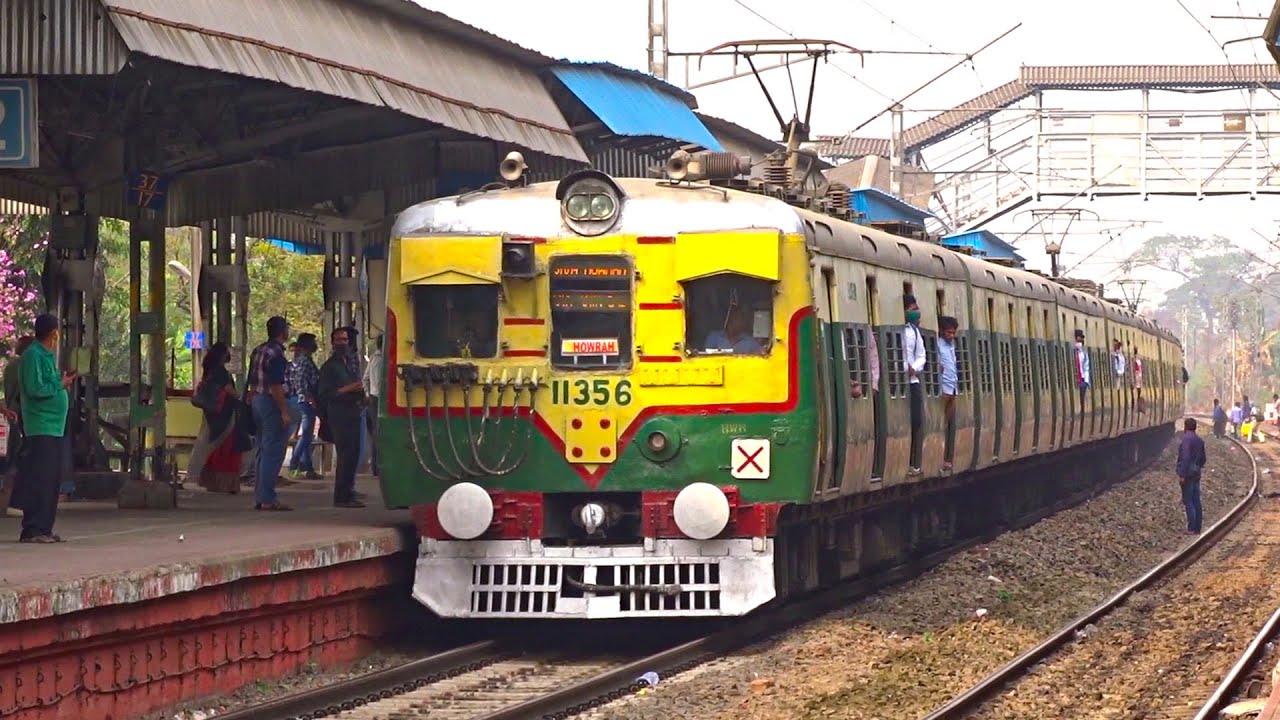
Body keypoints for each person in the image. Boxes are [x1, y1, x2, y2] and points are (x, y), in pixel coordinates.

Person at [11, 314, 74, 543]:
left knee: (52, 480)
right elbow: (35, 388)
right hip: (40, 426)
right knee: (40, 478)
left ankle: (45, 527)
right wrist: (60, 384)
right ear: (53, 333)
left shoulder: (46, 357)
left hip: (54, 427)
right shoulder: (32, 356)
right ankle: (32, 529)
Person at [187, 342, 251, 493]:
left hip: (212, 412)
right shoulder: (221, 372)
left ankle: (205, 478)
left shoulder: (209, 371)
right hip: (225, 412)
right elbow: (229, 390)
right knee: (223, 445)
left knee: (210, 442)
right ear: (222, 355)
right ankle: (202, 476)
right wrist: (240, 397)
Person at [245, 316, 294, 511]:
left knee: (261, 449)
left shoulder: (258, 350)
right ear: (282, 332)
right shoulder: (276, 355)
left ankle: (260, 495)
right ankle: (267, 497)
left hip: (256, 400)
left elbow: (251, 379)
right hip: (270, 402)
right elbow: (276, 385)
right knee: (273, 450)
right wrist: (284, 411)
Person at [318, 328, 366, 508]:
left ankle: (349, 491)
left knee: (353, 453)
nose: (343, 343)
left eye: (345, 340)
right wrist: (350, 388)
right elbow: (325, 393)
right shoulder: (330, 367)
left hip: (354, 410)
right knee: (345, 454)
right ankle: (341, 496)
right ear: (333, 342)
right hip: (339, 414)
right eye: (339, 340)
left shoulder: (349, 363)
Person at [287, 334, 322, 480]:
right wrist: (310, 399)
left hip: (306, 401)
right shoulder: (304, 362)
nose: (315, 344)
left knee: (308, 436)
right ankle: (294, 465)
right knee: (306, 436)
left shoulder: (307, 360)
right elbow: (300, 383)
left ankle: (308, 468)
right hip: (305, 402)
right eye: (312, 342)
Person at [1, 336, 34, 476]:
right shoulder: (27, 365)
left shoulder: (11, 366)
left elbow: (8, 390)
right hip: (23, 407)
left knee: (14, 439)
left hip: (13, 406)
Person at [903, 295, 926, 476]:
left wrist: (915, 369)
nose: (916, 312)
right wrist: (903, 368)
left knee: (916, 420)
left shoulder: (915, 332)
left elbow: (922, 355)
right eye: (913, 309)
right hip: (898, 382)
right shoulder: (900, 331)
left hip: (913, 381)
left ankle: (912, 460)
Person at [1175, 417, 1207, 534]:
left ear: (1185, 427)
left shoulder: (1186, 440)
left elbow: (1185, 457)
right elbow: (1203, 459)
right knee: (1196, 500)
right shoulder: (1199, 440)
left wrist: (1182, 474)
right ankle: (1198, 527)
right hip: (1196, 473)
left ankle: (1191, 528)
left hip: (1188, 474)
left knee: (1188, 500)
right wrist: (1198, 467)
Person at [938, 316, 959, 473]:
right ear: (942, 332)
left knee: (947, 423)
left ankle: (947, 457)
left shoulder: (952, 346)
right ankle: (940, 457)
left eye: (953, 333)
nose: (951, 336)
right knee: (942, 422)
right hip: (943, 387)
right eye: (949, 333)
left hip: (952, 387)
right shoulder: (938, 344)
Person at [363, 335, 383, 477]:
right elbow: (380, 383)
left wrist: (367, 393)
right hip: (379, 399)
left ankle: (376, 466)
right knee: (379, 433)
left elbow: (365, 379)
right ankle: (377, 466)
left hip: (373, 398)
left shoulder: (374, 357)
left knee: (376, 433)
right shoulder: (380, 360)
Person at [1073, 329, 1091, 432]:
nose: (1081, 341)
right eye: (1079, 338)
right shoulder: (1075, 351)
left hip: (1082, 380)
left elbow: (1086, 367)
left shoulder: (1083, 353)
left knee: (1082, 398)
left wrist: (1086, 381)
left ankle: (1082, 414)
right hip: (1077, 379)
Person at [1132, 346, 1145, 414]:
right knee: (1138, 391)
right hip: (1139, 378)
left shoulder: (1136, 360)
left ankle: (1138, 406)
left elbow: (1137, 370)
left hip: (1137, 378)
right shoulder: (1138, 360)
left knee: (1138, 391)